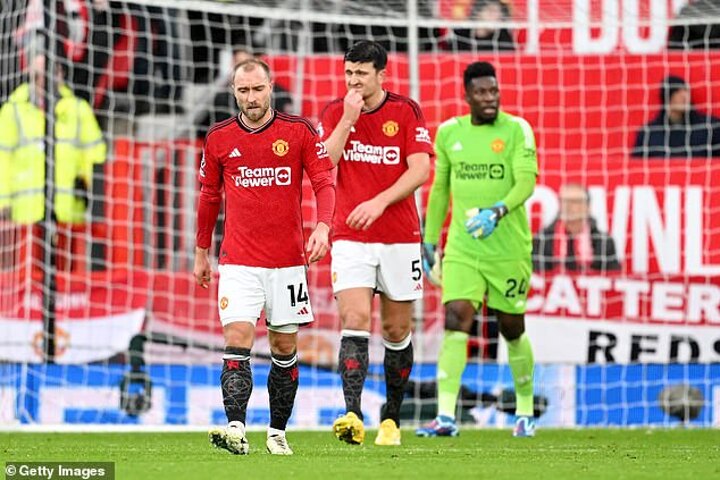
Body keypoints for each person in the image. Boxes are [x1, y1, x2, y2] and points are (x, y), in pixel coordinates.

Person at [195, 58, 335, 456]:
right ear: (233, 92)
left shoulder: (298, 131)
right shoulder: (219, 137)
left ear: (270, 87)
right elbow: (209, 197)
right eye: (243, 90)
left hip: (287, 263)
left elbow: (324, 182)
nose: (251, 97)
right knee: (237, 338)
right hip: (238, 262)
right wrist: (201, 251)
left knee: (284, 348)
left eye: (258, 89)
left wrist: (323, 226)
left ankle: (277, 433)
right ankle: (236, 429)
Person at [318, 40, 432, 446]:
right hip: (351, 236)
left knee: (397, 329)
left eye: (362, 74)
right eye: (349, 73)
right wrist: (348, 121)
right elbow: (324, 163)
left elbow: (420, 169)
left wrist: (379, 202)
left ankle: (392, 418)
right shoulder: (335, 111)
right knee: (354, 319)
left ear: (381, 75)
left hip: (399, 237)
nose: (354, 81)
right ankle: (352, 413)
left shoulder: (405, 111)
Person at [417, 61, 538, 438]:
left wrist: (497, 211)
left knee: (511, 328)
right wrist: (430, 240)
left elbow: (526, 183)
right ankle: (445, 416)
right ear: (467, 95)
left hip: (508, 249)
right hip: (464, 248)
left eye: (494, 91)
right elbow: (440, 189)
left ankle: (525, 410)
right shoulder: (449, 133)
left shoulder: (517, 129)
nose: (489, 98)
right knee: (456, 318)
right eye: (482, 92)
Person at [0, 54, 106, 271]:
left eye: (50, 73)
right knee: (28, 278)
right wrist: (3, 201)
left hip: (68, 215)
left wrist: (87, 188)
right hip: (26, 216)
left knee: (69, 279)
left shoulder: (78, 109)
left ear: (60, 75)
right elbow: (3, 159)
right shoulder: (13, 110)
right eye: (38, 75)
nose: (44, 81)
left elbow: (96, 156)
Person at [195, 47, 294, 139]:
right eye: (237, 63)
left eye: (246, 64)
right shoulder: (223, 97)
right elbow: (204, 131)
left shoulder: (279, 94)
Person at [533, 183, 621, 272]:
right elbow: (537, 274)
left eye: (575, 201)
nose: (568, 206)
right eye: (565, 201)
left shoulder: (603, 241)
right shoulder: (542, 239)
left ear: (588, 207)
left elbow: (613, 275)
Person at [632, 75, 720, 159]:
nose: (684, 96)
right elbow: (637, 164)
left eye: (686, 91)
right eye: (677, 92)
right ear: (667, 97)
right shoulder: (649, 133)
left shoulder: (709, 127)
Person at [445, 0, 515, 52]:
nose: (497, 16)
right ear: (477, 13)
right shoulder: (460, 37)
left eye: (499, 12)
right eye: (491, 11)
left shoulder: (503, 37)